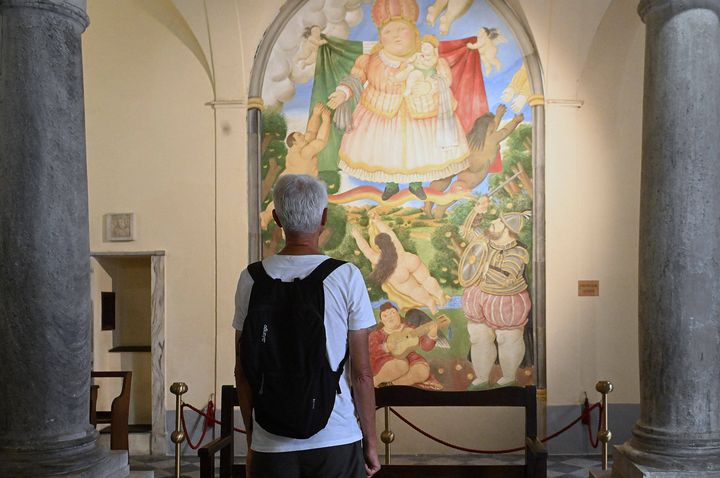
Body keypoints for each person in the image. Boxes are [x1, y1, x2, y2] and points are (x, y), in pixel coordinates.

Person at [233, 174, 381, 478]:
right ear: (324, 217)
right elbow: (362, 373)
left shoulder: (251, 279)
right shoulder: (346, 277)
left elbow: (242, 371)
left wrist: (252, 441)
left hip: (270, 444)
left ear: (277, 218)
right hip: (336, 437)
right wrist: (370, 442)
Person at [327, 0, 469, 200]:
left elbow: (444, 78)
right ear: (381, 37)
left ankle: (416, 183)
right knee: (388, 151)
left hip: (423, 114)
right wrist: (343, 92)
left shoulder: (429, 58)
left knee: (419, 150)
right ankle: (391, 184)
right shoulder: (372, 60)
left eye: (401, 29)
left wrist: (430, 86)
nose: (395, 35)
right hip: (380, 113)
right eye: (388, 32)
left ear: (414, 32)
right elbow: (356, 77)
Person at [459, 197, 532, 389]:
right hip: (479, 297)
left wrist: (482, 267)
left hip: (506, 301)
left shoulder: (518, 252)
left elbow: (506, 277)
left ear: (508, 229)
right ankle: (482, 377)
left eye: (498, 222)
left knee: (507, 338)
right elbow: (466, 231)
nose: (492, 223)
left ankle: (508, 377)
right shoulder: (484, 242)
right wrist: (477, 210)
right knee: (478, 336)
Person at [350, 213, 447, 314]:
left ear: (378, 247)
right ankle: (438, 293)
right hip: (408, 260)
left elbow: (365, 249)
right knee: (426, 279)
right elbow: (388, 231)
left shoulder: (377, 258)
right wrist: (377, 221)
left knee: (414, 290)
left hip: (398, 273)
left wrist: (357, 236)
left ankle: (430, 302)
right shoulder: (395, 244)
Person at [369, 302, 445, 389]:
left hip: (410, 358)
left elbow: (425, 346)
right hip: (385, 360)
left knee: (422, 370)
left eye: (392, 313)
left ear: (399, 314)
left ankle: (392, 385)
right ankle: (375, 381)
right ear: (382, 321)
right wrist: (386, 346)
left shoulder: (410, 329)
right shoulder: (377, 334)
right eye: (385, 316)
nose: (390, 317)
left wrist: (432, 335)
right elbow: (371, 349)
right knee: (401, 364)